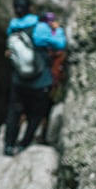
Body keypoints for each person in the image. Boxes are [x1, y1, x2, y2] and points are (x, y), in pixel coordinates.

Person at [3, 0, 66, 156]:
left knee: (14, 112)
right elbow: (60, 44)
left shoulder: (12, 28)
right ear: (30, 8)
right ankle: (24, 144)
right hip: (40, 81)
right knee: (36, 114)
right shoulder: (40, 27)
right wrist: (57, 29)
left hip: (19, 80)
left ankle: (9, 146)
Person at [34, 11, 68, 144]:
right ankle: (42, 135)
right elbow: (60, 46)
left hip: (34, 78)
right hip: (49, 80)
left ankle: (33, 134)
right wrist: (58, 30)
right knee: (45, 108)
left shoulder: (35, 34)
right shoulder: (50, 38)